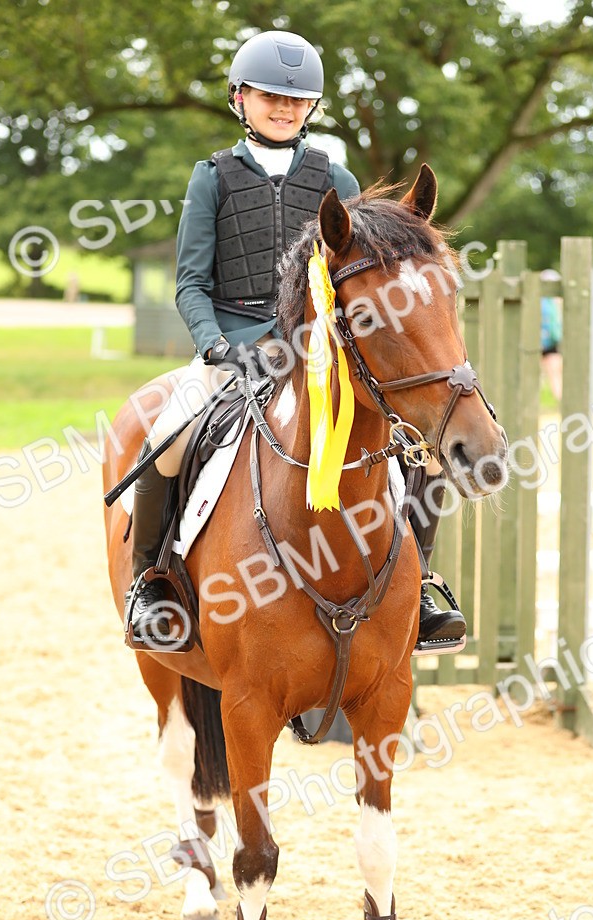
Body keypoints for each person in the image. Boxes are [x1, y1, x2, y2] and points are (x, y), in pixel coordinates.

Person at [126, 29, 465, 652]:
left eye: (296, 99)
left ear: (310, 107)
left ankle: (418, 584)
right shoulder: (212, 179)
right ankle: (150, 582)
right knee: (166, 436)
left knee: (417, 448)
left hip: (321, 353)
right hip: (232, 347)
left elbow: (364, 271)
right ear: (239, 98)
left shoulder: (335, 176)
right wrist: (214, 346)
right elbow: (191, 284)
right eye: (269, 96)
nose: (284, 108)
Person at [540, 268, 563, 404]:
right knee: (554, 375)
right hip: (549, 342)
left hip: (546, 343)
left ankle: (560, 401)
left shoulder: (545, 301)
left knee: (553, 374)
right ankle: (561, 402)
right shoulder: (554, 302)